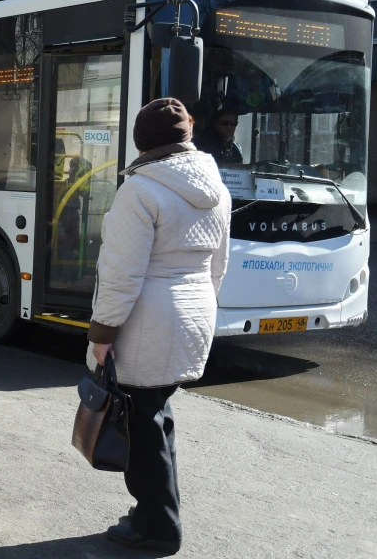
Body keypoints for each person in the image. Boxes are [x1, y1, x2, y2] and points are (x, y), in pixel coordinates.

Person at [87, 98, 231, 554]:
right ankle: (153, 512)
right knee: (156, 417)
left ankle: (159, 527)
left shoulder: (140, 190)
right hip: (195, 310)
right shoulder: (217, 187)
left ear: (141, 142)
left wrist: (102, 335)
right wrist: (202, 309)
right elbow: (219, 265)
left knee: (140, 426)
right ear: (187, 135)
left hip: (149, 317)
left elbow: (121, 272)